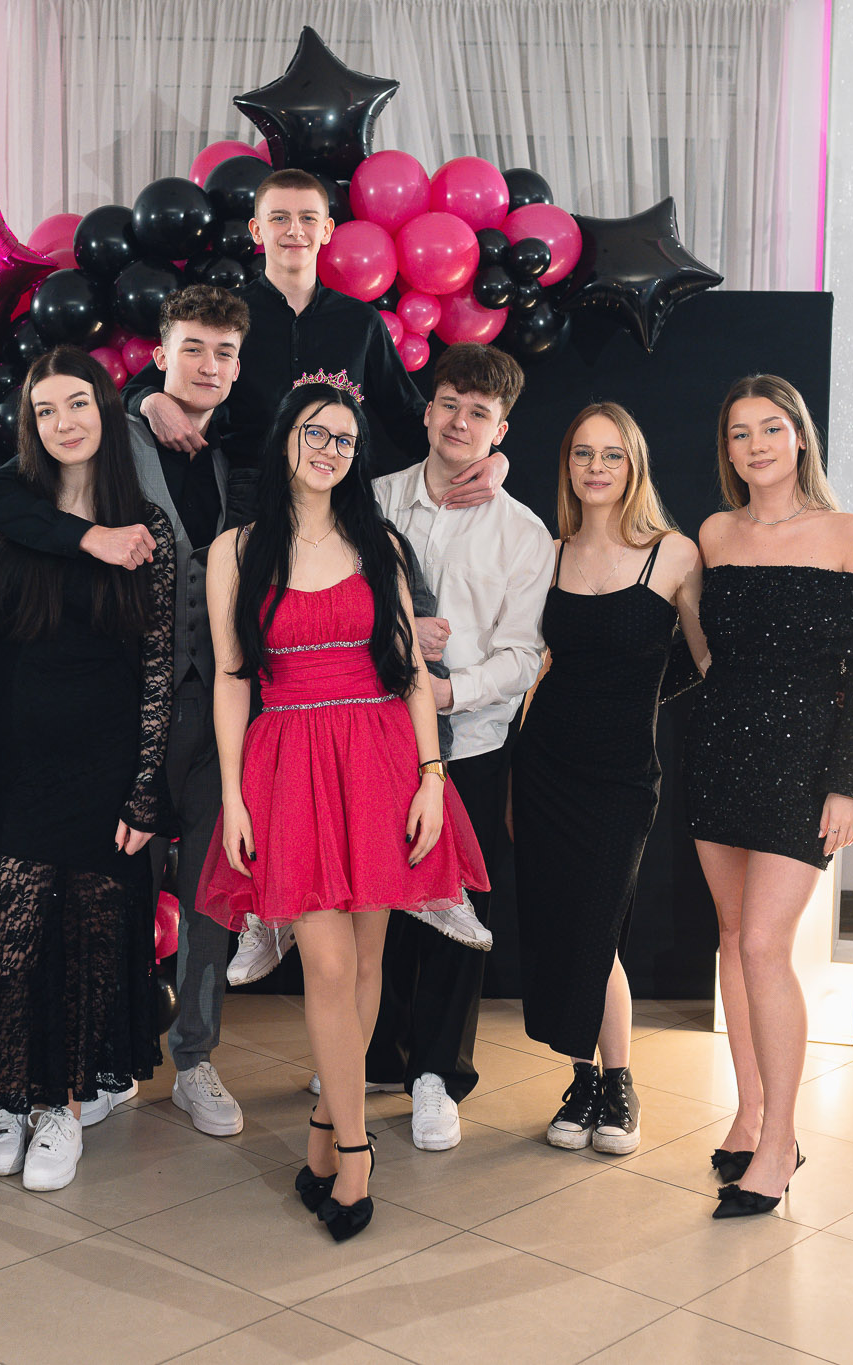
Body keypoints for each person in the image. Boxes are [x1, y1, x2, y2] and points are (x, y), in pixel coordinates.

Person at [196, 377, 488, 1243]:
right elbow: (231, 678)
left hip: (379, 758)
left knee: (365, 962)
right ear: (286, 437)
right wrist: (232, 794)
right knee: (324, 965)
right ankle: (356, 1153)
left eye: (345, 440)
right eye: (316, 433)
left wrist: (432, 776)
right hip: (288, 760)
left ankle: (327, 1128)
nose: (330, 450)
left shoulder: (379, 541)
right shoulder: (235, 550)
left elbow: (408, 669)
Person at [0, 285, 253, 1141]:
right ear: (158, 355)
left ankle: (192, 1058)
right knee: (99, 898)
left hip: (217, 708)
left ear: (240, 366)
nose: (208, 366)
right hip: (114, 719)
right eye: (192, 347)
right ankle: (92, 1065)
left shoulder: (243, 453)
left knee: (207, 894)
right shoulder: (109, 429)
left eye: (224, 352)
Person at [0, 347, 176, 1192]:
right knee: (11, 933)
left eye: (77, 403)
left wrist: (146, 788)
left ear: (106, 408)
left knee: (88, 937)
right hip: (14, 758)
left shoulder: (149, 529)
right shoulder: (7, 513)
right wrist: (89, 538)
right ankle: (9, 1095)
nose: (63, 422)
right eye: (45, 410)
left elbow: (158, 667)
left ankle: (63, 1106)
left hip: (104, 761)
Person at [684, 374, 853, 1219]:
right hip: (719, 749)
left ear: (800, 436)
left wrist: (852, 781)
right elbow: (705, 648)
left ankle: (781, 1141)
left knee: (767, 944)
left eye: (771, 428)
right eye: (740, 433)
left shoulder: (846, 533)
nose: (756, 445)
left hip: (803, 759)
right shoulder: (715, 533)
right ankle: (747, 1116)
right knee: (734, 938)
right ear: (728, 451)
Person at [362, 344, 553, 1152]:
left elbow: (522, 656)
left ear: (500, 429)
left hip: (468, 744)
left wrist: (446, 692)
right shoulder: (370, 498)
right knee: (372, 899)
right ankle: (375, 1052)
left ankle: (438, 1072)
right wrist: (394, 630)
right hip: (372, 736)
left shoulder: (523, 532)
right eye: (449, 404)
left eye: (480, 413)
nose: (460, 422)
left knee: (453, 911)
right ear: (428, 410)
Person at [511, 403, 705, 1159]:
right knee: (561, 925)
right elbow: (531, 660)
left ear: (635, 466)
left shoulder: (674, 555)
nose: (596, 467)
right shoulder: (548, 552)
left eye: (612, 454)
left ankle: (619, 1083)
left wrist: (641, 696)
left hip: (622, 775)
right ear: (567, 465)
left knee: (597, 923)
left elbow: (706, 661)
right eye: (583, 453)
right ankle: (584, 1080)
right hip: (545, 764)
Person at [129, 169, 508, 511]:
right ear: (257, 230)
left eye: (308, 218)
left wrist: (490, 458)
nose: (294, 230)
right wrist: (152, 401)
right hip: (248, 494)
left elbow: (408, 417)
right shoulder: (226, 316)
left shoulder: (361, 321)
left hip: (339, 493)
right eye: (279, 218)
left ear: (326, 230)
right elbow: (134, 389)